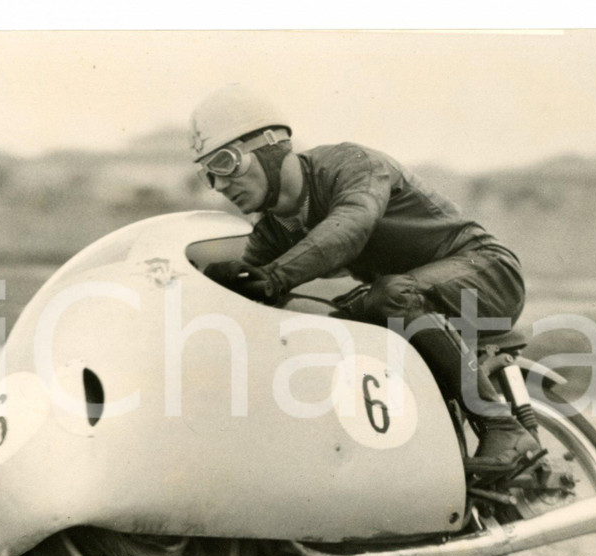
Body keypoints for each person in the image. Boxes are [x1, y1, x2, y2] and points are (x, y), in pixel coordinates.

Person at [192, 84, 539, 475]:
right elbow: (244, 300)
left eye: (224, 163)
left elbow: (350, 226)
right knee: (335, 327)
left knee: (390, 295)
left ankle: (500, 423)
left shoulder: (351, 165)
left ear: (272, 145)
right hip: (415, 297)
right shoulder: (272, 231)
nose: (219, 185)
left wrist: (273, 277)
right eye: (208, 175)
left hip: (488, 273)